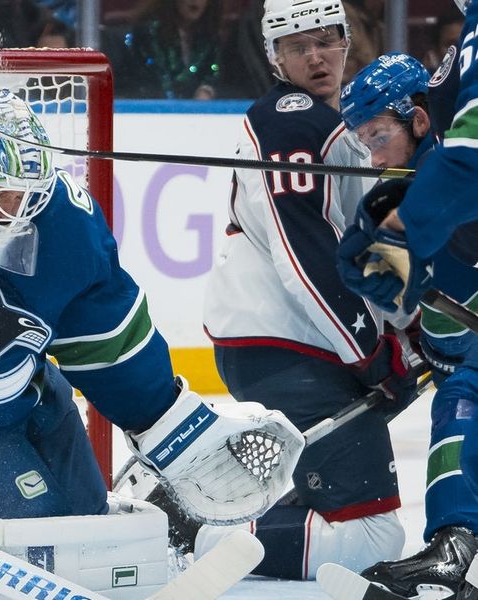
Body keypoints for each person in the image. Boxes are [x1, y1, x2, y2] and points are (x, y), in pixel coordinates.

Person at [0, 89, 301, 523]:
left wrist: (165, 419)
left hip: (36, 396)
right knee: (40, 527)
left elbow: (105, 337)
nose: (15, 210)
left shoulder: (63, 222)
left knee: (86, 516)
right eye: (1, 192)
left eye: (26, 195)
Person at [199, 0, 421, 581]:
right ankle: (192, 531)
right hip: (290, 347)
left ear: (346, 40)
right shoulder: (292, 121)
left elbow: (358, 243)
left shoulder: (333, 122)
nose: (316, 57)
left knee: (354, 516)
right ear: (275, 57)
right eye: (298, 46)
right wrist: (371, 353)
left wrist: (404, 325)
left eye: (325, 41)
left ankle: (222, 519)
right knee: (371, 537)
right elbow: (305, 257)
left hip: (294, 343)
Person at [335, 25, 478, 600]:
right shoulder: (414, 183)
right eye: (364, 143)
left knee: (465, 395)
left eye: (379, 136)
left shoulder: (448, 172)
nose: (374, 157)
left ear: (419, 121)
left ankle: (451, 549)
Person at [103, 0, 222, 99]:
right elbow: (156, 81)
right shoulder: (148, 34)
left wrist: (207, 90)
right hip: (151, 112)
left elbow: (214, 75)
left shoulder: (209, 39)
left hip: (195, 115)